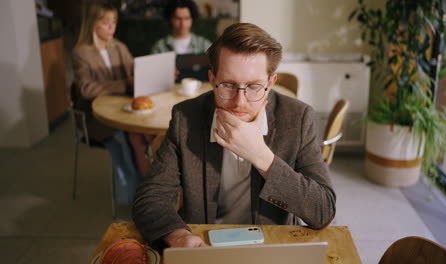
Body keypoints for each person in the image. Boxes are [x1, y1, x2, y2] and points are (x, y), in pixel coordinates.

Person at [133, 23, 336, 250]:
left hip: (270, 247)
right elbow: (151, 197)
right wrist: (178, 236)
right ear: (212, 79)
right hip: (203, 244)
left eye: (253, 86)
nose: (240, 102)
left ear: (270, 83)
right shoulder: (185, 117)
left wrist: (261, 157)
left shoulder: (298, 118)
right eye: (228, 85)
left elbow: (323, 210)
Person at [72, 2, 150, 204]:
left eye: (114, 22)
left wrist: (147, 73)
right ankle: (131, 195)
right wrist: (124, 84)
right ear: (92, 24)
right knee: (125, 140)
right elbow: (86, 89)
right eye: (105, 23)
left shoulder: (119, 47)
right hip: (96, 118)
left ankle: (148, 188)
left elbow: (136, 72)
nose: (111, 27)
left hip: (123, 112)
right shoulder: (81, 53)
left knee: (147, 135)